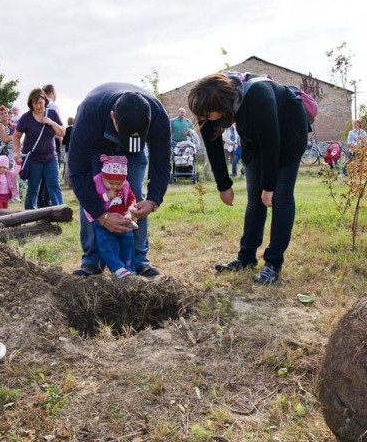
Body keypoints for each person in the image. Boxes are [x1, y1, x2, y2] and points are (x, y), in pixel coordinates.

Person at [187, 72, 308, 285]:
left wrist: (269, 186)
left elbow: (272, 144)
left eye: (206, 114)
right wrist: (224, 185)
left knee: (280, 196)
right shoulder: (210, 107)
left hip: (289, 135)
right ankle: (246, 257)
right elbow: (213, 147)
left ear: (222, 105)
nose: (203, 119)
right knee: (255, 197)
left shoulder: (258, 96)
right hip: (255, 141)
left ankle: (273, 263)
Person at [69, 84, 171, 278]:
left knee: (136, 197)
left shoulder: (158, 117)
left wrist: (154, 200)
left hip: (134, 154)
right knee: (94, 196)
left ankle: (139, 259)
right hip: (97, 147)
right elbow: (78, 174)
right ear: (113, 116)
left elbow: (162, 163)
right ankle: (92, 260)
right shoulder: (90, 113)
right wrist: (102, 216)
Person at [86, 154, 138, 278]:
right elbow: (91, 201)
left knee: (128, 243)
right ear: (103, 177)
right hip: (103, 222)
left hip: (123, 220)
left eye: (119, 183)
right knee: (108, 245)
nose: (115, 187)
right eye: (111, 183)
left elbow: (131, 198)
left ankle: (129, 267)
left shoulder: (124, 186)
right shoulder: (97, 184)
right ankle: (117, 268)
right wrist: (106, 196)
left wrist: (131, 209)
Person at [13, 88, 65, 209]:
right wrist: (16, 151)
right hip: (34, 159)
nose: (38, 106)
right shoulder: (26, 118)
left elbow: (62, 132)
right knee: (33, 187)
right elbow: (16, 136)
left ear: (44, 101)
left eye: (40, 102)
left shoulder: (52, 114)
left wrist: (51, 122)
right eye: (35, 103)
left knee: (54, 185)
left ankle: (60, 211)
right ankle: (30, 213)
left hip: (51, 157)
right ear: (31, 103)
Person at [62, 116, 74, 187]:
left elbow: (63, 142)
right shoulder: (75, 129)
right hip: (74, 150)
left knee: (67, 166)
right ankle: (73, 181)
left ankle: (68, 182)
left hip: (67, 150)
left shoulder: (65, 130)